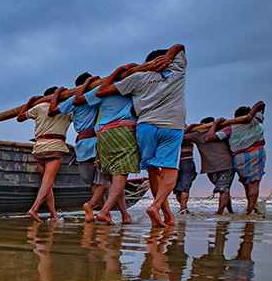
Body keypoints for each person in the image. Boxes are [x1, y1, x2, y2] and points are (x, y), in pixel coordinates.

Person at [111, 44, 188, 228]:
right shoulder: (177, 69)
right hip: (172, 125)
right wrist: (169, 56)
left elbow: (105, 90)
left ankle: (167, 215)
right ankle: (155, 206)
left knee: (153, 169)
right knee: (170, 169)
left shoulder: (137, 77)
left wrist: (119, 73)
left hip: (145, 126)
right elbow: (180, 47)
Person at [78, 70, 138, 225]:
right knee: (117, 177)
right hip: (121, 133)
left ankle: (124, 215)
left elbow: (79, 99)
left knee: (111, 179)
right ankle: (97, 208)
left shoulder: (101, 94)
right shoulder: (130, 92)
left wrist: (110, 76)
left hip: (102, 136)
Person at [51, 72, 108, 223]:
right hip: (96, 141)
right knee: (104, 180)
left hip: (82, 144)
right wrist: (89, 82)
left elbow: (53, 110)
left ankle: (103, 212)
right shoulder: (96, 95)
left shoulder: (76, 99)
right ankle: (91, 205)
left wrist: (57, 94)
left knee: (94, 183)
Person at [17, 86, 72, 222]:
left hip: (39, 147)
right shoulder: (65, 110)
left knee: (47, 184)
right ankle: (34, 209)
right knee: (48, 183)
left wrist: (30, 101)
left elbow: (20, 117)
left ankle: (53, 214)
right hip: (54, 146)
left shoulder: (39, 107)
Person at [208, 101, 266, 215]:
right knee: (254, 183)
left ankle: (252, 207)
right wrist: (253, 112)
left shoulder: (230, 128)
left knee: (247, 184)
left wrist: (216, 124)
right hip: (256, 152)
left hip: (238, 157)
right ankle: (249, 211)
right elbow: (261, 104)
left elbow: (209, 137)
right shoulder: (256, 120)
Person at [183, 117, 235, 215]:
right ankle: (227, 212)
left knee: (223, 189)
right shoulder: (220, 132)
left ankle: (222, 212)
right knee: (224, 189)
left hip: (215, 167)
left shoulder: (198, 134)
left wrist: (191, 127)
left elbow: (181, 136)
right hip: (223, 165)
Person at [173, 134, 197, 213]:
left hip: (176, 163)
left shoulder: (175, 136)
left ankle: (183, 209)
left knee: (179, 188)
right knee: (184, 187)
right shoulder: (188, 136)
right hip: (186, 162)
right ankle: (183, 209)